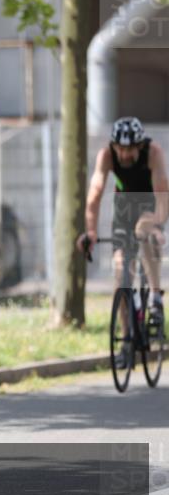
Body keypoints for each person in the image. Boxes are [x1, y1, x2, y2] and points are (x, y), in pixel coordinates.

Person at [78, 117, 168, 367]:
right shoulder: (107, 155)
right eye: (121, 148)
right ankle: (127, 341)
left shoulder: (154, 153)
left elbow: (163, 192)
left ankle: (155, 298)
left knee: (144, 233)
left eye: (130, 149)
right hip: (123, 211)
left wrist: (158, 223)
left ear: (140, 146)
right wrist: (91, 232)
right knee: (120, 273)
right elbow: (95, 193)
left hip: (151, 206)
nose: (125, 154)